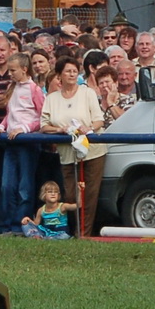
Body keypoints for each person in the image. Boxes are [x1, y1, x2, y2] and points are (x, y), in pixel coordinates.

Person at [41, 55, 106, 235]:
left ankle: (84, 234)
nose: (71, 75)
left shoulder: (87, 93)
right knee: (71, 195)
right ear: (59, 75)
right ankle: (72, 230)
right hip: (67, 154)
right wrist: (59, 130)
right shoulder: (51, 98)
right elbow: (44, 125)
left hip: (91, 152)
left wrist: (89, 128)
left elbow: (99, 120)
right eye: (68, 71)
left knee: (89, 196)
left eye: (74, 71)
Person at [0, 53, 45, 234]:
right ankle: (9, 224)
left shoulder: (34, 89)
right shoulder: (12, 88)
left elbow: (41, 116)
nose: (10, 74)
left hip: (27, 142)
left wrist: (25, 128)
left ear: (24, 69)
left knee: (24, 187)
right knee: (7, 185)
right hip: (11, 142)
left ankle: (21, 225)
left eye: (13, 70)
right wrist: (0, 126)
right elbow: (10, 114)